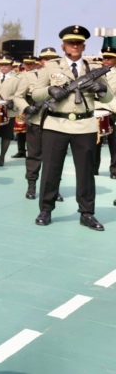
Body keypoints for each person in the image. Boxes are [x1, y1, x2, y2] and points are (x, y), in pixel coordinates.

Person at [32, 25, 113, 230]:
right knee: (51, 170)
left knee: (86, 173)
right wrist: (51, 90)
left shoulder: (93, 68)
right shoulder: (51, 67)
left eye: (78, 43)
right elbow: (35, 93)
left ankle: (87, 213)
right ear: (63, 46)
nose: (74, 46)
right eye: (70, 43)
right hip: (56, 124)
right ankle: (46, 209)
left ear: (84, 46)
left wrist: (100, 88)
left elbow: (109, 96)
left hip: (84, 126)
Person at [14, 47, 62, 200]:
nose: (48, 61)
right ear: (40, 61)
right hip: (36, 121)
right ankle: (32, 185)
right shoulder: (29, 76)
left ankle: (54, 189)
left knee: (54, 158)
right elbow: (18, 96)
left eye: (52, 58)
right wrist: (26, 107)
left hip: (57, 121)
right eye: (45, 59)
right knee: (34, 156)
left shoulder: (63, 75)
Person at [93, 47, 116, 180]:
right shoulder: (95, 73)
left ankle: (114, 170)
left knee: (114, 143)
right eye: (104, 58)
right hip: (96, 109)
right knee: (95, 142)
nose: (106, 60)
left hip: (112, 109)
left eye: (110, 58)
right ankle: (94, 168)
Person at [12, 56, 37, 158]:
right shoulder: (18, 75)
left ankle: (33, 151)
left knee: (33, 129)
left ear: (34, 64)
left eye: (31, 64)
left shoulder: (38, 74)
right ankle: (21, 150)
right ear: (23, 64)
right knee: (20, 128)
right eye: (27, 64)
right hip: (21, 104)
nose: (29, 66)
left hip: (33, 103)